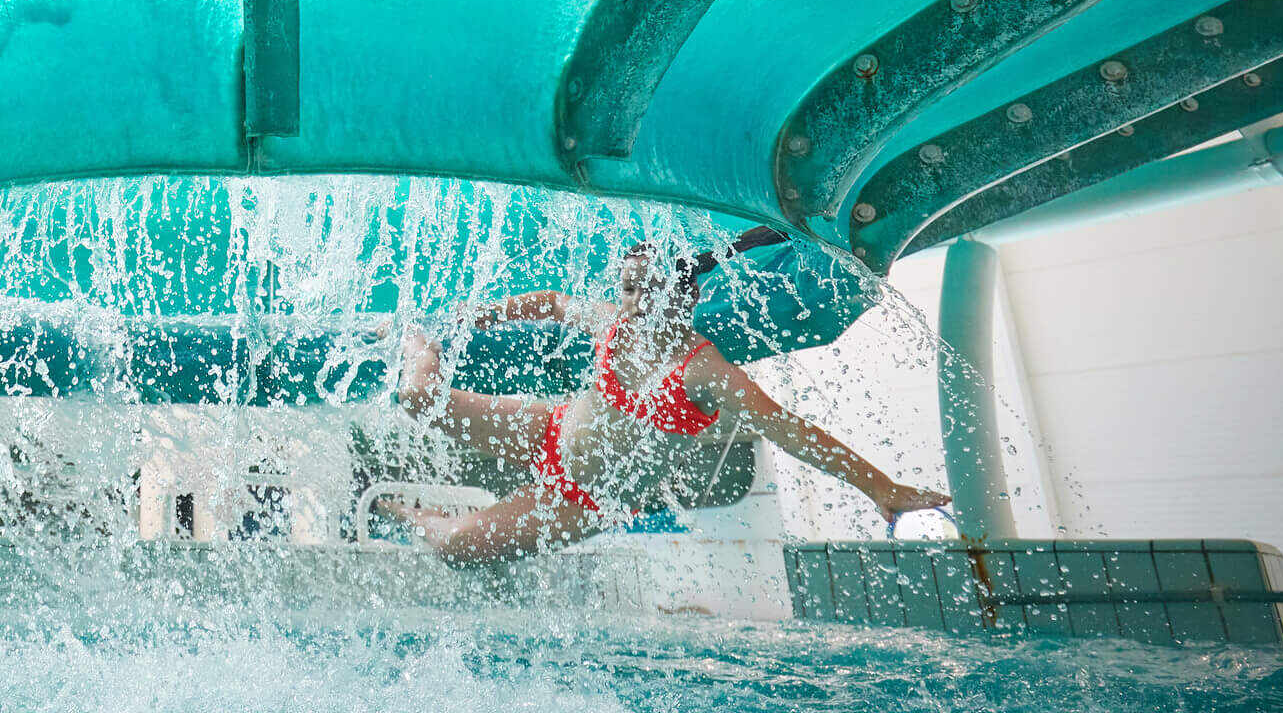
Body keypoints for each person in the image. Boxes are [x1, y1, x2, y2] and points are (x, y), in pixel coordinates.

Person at [386, 232, 950, 563]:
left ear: (679, 295)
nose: (627, 299)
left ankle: (421, 517)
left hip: (585, 500)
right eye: (625, 285)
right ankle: (421, 337)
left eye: (639, 287)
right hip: (549, 430)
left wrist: (884, 488)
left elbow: (792, 430)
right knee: (417, 398)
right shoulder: (614, 323)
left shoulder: (702, 369)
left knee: (456, 549)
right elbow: (555, 302)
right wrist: (474, 317)